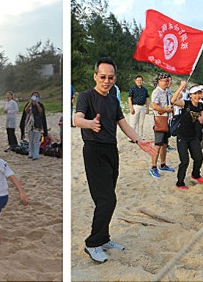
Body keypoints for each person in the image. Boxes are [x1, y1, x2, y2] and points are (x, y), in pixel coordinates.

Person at [74, 58, 157, 264]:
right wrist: (89, 124)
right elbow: (76, 119)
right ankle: (92, 243)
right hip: (93, 150)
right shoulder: (86, 96)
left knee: (109, 197)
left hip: (112, 150)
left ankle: (104, 238)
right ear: (95, 76)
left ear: (115, 78)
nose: (106, 81)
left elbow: (123, 123)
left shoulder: (113, 99)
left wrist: (138, 140)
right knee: (106, 200)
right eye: (102, 77)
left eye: (110, 78)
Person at [149, 74, 185, 178]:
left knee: (164, 144)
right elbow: (154, 106)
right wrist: (166, 110)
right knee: (158, 144)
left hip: (167, 120)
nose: (168, 83)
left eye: (169, 81)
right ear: (159, 81)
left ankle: (163, 164)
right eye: (165, 81)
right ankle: (153, 167)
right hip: (160, 120)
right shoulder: (156, 91)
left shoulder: (167, 91)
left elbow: (172, 101)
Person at [172, 85, 203, 190]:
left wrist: (201, 119)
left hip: (193, 136)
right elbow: (173, 101)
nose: (197, 96)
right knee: (184, 161)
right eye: (194, 94)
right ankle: (180, 182)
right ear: (190, 95)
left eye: (199, 93)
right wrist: (181, 86)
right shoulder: (185, 103)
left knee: (199, 158)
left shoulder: (200, 105)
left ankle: (195, 174)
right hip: (182, 136)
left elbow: (202, 119)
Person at [20, 92, 48, 160]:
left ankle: (36, 155)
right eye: (34, 96)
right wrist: (30, 103)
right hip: (30, 124)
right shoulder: (29, 105)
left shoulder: (40, 105)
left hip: (38, 125)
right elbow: (26, 111)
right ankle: (31, 153)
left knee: (36, 140)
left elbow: (41, 111)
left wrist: (37, 104)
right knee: (31, 140)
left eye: (36, 96)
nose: (35, 98)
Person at [127, 75, 149, 139]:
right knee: (133, 123)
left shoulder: (144, 89)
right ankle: (131, 137)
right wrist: (131, 107)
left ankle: (140, 136)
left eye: (140, 80)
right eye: (138, 80)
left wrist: (147, 108)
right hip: (135, 106)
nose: (139, 81)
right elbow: (129, 98)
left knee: (141, 123)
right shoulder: (133, 88)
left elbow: (147, 99)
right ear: (135, 81)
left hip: (143, 107)